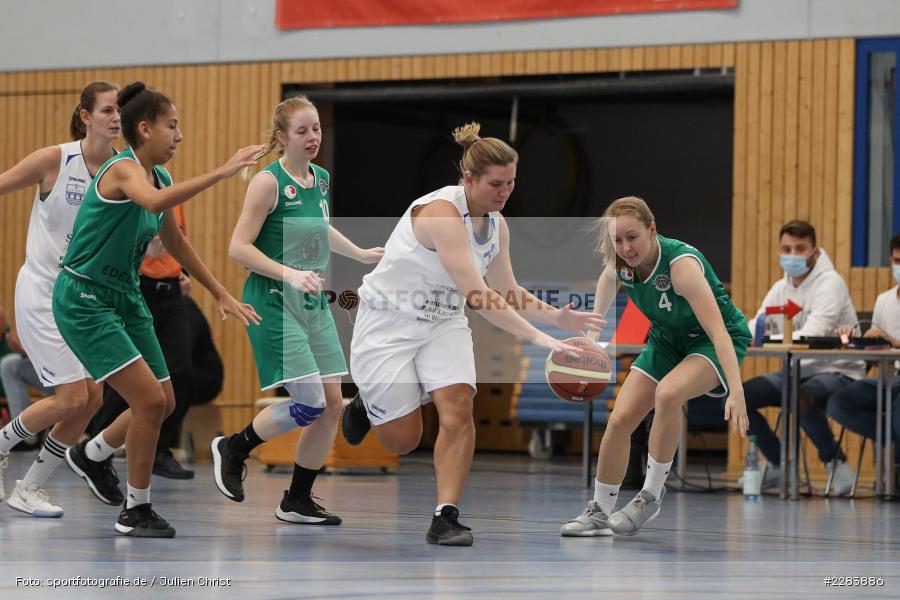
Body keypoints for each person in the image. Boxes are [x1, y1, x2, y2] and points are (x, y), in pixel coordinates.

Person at [342, 123, 603, 546]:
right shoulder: (442, 214)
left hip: (443, 321)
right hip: (388, 323)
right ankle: (364, 405)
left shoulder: (497, 226)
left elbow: (507, 291)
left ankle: (445, 516)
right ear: (468, 180)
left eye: (511, 183)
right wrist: (538, 339)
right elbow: (479, 297)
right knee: (404, 440)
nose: (504, 192)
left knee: (460, 406)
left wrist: (557, 318)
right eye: (495, 184)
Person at [52, 81, 261, 537]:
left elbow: (176, 241)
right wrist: (223, 172)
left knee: (164, 400)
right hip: (85, 297)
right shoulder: (123, 170)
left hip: (123, 296)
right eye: (173, 125)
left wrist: (220, 292)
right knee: (147, 401)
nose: (180, 135)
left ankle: (92, 454)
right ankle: (135, 508)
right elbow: (151, 202)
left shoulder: (162, 175)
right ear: (144, 129)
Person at [211, 96, 382, 525]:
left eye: (317, 130)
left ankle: (297, 499)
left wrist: (359, 254)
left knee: (332, 405)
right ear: (282, 136)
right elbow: (238, 248)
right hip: (272, 300)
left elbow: (318, 225)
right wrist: (289, 274)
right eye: (302, 131)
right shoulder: (267, 183)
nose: (312, 138)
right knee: (307, 402)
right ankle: (234, 446)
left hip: (310, 302)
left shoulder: (319, 179)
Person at [560, 196, 751, 538]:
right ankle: (600, 510)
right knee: (619, 419)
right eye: (617, 240)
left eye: (632, 237)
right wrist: (590, 340)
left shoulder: (681, 267)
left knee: (668, 394)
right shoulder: (620, 264)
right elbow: (604, 287)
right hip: (666, 339)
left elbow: (719, 331)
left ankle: (650, 495)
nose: (625, 247)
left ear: (652, 229)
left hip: (710, 339)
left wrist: (736, 391)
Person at [0, 82, 121, 517]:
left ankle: (28, 487)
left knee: (91, 400)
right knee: (71, 398)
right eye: (107, 109)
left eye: (120, 110)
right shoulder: (56, 159)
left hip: (86, 298)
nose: (116, 117)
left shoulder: (121, 170)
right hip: (42, 291)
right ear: (86, 116)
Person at [741, 220, 864, 495]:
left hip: (838, 371)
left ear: (815, 252)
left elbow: (814, 332)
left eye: (800, 248)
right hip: (794, 371)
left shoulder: (831, 284)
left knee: (799, 396)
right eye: (787, 248)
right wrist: (738, 335)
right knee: (738, 398)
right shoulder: (780, 288)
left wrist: (775, 339)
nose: (792, 255)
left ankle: (836, 461)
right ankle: (778, 462)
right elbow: (760, 323)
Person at [87, 205, 198, 480]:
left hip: (171, 292)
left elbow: (177, 240)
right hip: (137, 289)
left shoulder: (171, 194)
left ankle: (160, 450)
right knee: (129, 377)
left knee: (181, 370)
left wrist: (181, 271)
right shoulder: (130, 192)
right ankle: (94, 447)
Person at [86, 271, 226, 479]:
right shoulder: (146, 301)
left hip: (205, 379)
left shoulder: (185, 310)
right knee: (133, 378)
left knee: (167, 377)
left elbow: (182, 356)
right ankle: (96, 447)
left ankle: (150, 450)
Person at [827, 233, 900, 473]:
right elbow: (875, 358)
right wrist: (858, 343)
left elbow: (892, 344)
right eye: (897, 261)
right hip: (886, 380)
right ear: (890, 260)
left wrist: (893, 341)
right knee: (838, 403)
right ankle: (889, 435)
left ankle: (894, 457)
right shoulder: (884, 300)